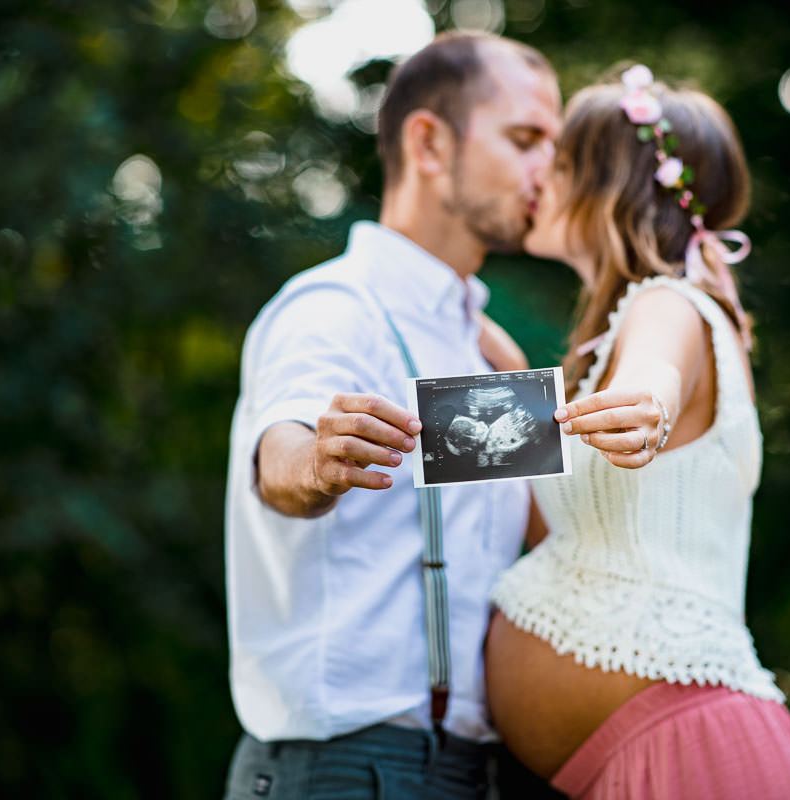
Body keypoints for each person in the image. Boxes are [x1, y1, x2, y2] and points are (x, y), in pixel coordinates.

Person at [221, 31, 561, 799]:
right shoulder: (336, 306)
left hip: (468, 772)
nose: (549, 168)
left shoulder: (477, 340)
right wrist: (316, 463)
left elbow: (555, 541)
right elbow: (282, 455)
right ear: (429, 143)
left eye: (555, 146)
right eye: (525, 138)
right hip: (343, 769)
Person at [485, 64, 790, 798]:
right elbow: (554, 539)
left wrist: (648, 401)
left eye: (564, 158)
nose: (540, 170)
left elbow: (653, 380)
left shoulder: (670, 303)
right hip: (647, 755)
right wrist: (503, 373)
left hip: (692, 755)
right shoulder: (616, 334)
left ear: (614, 188)